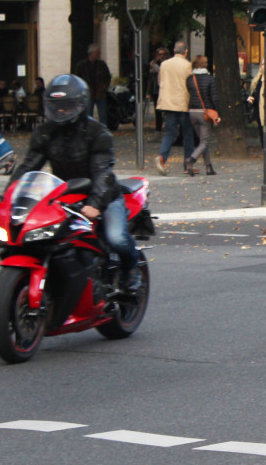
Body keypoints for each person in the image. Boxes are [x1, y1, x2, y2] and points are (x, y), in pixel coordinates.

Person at [11, 75, 141, 293]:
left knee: (116, 237)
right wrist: (11, 198)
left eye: (66, 106)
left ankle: (131, 269)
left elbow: (102, 174)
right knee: (37, 237)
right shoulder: (44, 132)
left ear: (80, 105)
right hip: (64, 195)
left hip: (103, 195)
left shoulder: (98, 133)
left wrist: (96, 204)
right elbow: (28, 168)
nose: (61, 111)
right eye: (56, 106)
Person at [154, 41, 195, 175]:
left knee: (170, 133)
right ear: (186, 51)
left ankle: (162, 157)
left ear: (174, 50)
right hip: (183, 103)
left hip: (167, 103)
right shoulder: (188, 66)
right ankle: (188, 164)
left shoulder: (164, 65)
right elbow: (191, 85)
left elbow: (160, 82)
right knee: (188, 134)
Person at [185, 55, 218, 176]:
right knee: (205, 142)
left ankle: (209, 167)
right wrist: (217, 112)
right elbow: (214, 98)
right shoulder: (210, 79)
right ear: (205, 64)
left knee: (203, 142)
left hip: (192, 111)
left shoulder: (190, 79)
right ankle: (191, 160)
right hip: (204, 113)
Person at [74, 44, 112, 124]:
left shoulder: (102, 65)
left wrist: (104, 87)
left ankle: (102, 131)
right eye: (97, 53)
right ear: (91, 53)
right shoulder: (81, 65)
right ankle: (89, 131)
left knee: (103, 115)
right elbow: (77, 78)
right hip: (88, 93)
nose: (98, 54)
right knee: (89, 115)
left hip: (100, 93)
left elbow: (107, 77)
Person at [146, 47, 167, 132]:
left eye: (163, 54)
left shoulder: (168, 64)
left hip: (166, 90)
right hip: (156, 90)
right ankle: (158, 129)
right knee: (157, 111)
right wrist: (148, 92)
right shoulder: (153, 64)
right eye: (160, 54)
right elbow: (150, 79)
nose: (161, 56)